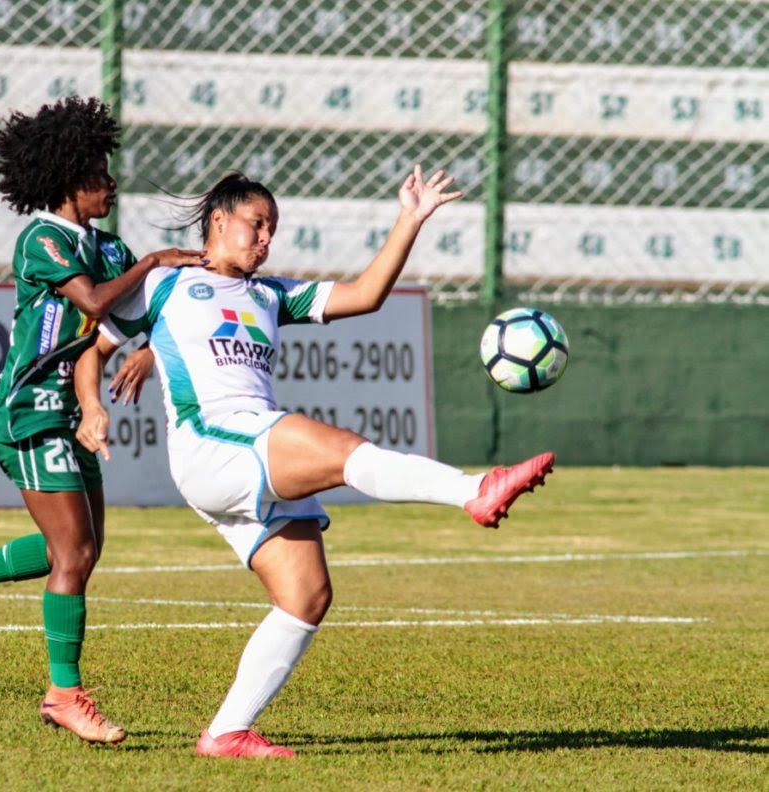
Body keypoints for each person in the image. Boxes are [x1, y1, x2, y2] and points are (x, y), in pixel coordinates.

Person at [73, 166, 555, 758]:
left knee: (306, 596)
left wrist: (409, 219)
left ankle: (226, 732)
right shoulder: (166, 284)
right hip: (213, 443)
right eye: (256, 224)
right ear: (218, 222)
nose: (266, 238)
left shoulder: (271, 294)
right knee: (345, 450)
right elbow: (90, 351)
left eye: (272, 228)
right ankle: (475, 489)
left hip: (248, 446)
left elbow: (365, 295)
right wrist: (92, 408)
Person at [0, 96, 202, 745]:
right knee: (73, 552)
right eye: (100, 171)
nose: (111, 181)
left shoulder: (108, 245)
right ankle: (63, 695)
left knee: (74, 551)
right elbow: (99, 301)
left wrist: (152, 342)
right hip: (28, 411)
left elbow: (143, 315)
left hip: (69, 413)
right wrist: (154, 260)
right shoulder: (42, 239)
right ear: (69, 176)